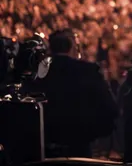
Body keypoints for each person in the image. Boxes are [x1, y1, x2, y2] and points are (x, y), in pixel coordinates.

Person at [30, 29, 117, 157]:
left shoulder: (38, 73)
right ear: (71, 48)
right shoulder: (88, 71)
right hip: (79, 144)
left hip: (45, 145)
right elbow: (109, 107)